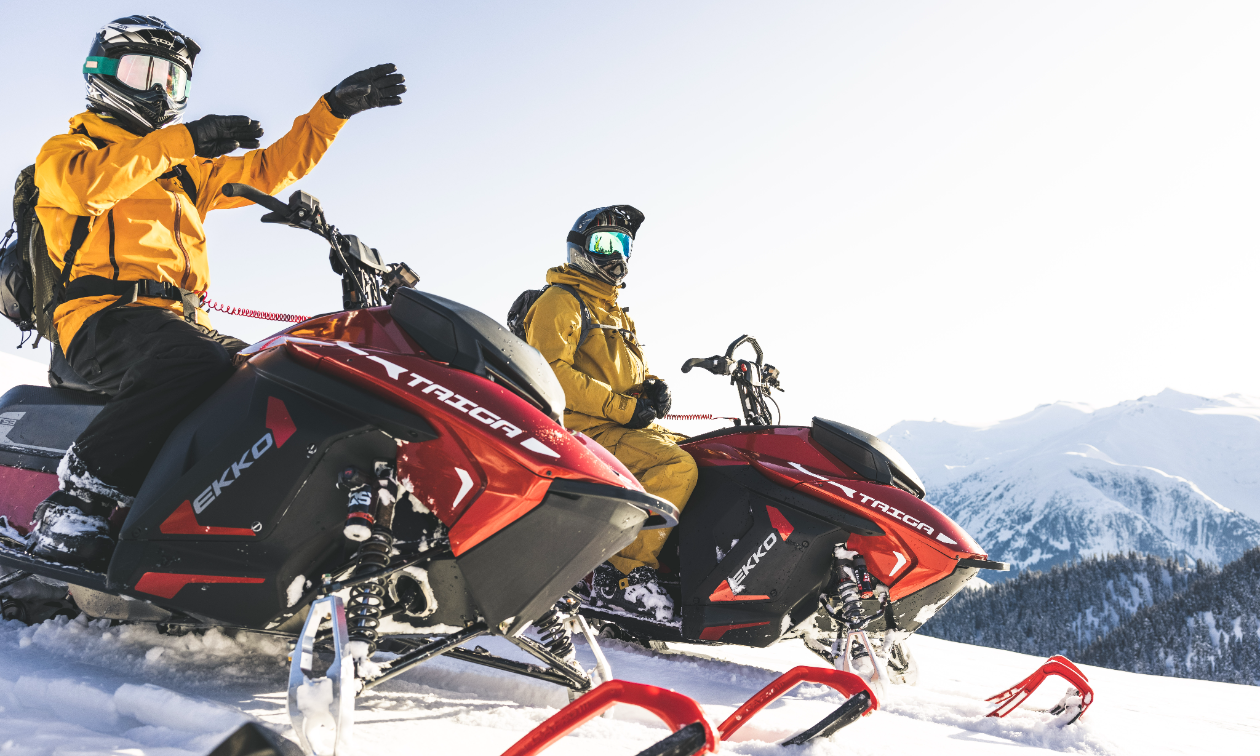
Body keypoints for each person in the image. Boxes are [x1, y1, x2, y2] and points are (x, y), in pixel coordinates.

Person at [26, 15, 406, 565]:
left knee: (274, 375)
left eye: (171, 81)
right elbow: (89, 191)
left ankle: (210, 519)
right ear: (102, 74)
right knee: (194, 361)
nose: (157, 90)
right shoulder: (69, 151)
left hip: (178, 323)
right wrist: (183, 140)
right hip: (101, 316)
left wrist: (332, 112)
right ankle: (77, 496)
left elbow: (267, 169)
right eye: (141, 72)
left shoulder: (179, 171)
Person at [523, 206, 698, 623]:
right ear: (579, 248)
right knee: (676, 465)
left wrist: (650, 390)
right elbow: (551, 373)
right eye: (605, 243)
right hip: (581, 431)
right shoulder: (560, 301)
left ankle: (684, 572)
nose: (616, 255)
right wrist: (624, 407)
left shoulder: (613, 311)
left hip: (618, 426)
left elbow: (615, 372)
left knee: (711, 453)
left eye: (625, 244)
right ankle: (619, 576)